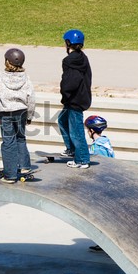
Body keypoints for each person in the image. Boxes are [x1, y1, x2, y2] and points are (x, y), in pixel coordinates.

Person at [0, 48, 35, 183]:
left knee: (8, 142)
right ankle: (25, 167)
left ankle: (10, 174)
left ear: (6, 61)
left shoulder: (0, 77)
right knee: (21, 138)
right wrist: (29, 116)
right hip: (21, 112)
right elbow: (31, 99)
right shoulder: (26, 78)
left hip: (5, 112)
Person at [57, 29, 92, 169]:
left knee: (76, 131)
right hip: (81, 97)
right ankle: (71, 149)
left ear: (68, 43)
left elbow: (69, 82)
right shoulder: (83, 57)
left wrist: (65, 95)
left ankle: (82, 159)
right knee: (62, 120)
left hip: (74, 100)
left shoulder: (69, 61)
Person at [85, 115, 115, 252]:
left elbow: (101, 168)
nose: (87, 132)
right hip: (108, 183)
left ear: (91, 131)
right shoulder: (105, 142)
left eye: (87, 130)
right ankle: (104, 243)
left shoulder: (98, 148)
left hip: (103, 185)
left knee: (102, 218)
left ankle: (107, 245)